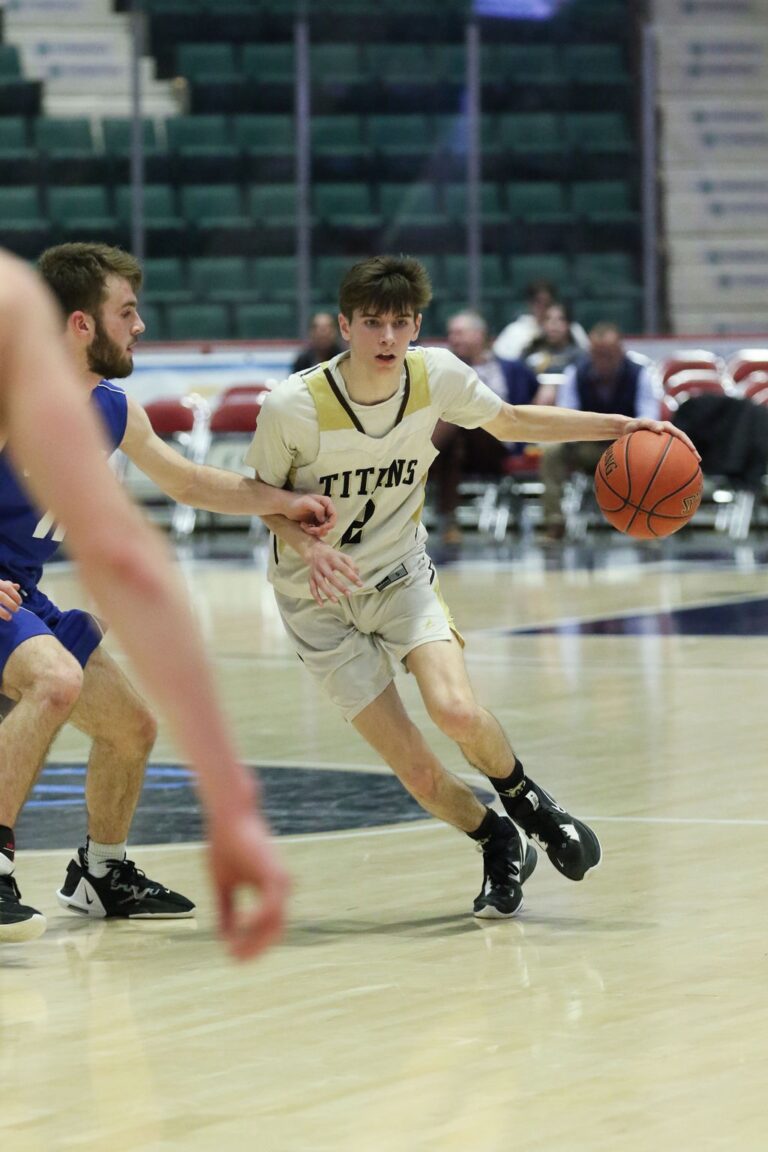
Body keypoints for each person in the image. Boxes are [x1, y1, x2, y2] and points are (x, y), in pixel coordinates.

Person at [244, 255, 698, 920]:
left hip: (399, 573)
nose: (388, 338)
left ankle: (529, 801)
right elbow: (260, 498)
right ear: (345, 326)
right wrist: (308, 546)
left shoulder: (435, 377)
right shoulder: (294, 407)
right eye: (372, 323)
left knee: (456, 709)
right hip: (317, 600)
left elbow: (512, 420)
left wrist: (619, 427)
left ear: (417, 325)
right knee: (421, 774)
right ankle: (496, 840)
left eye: (400, 323)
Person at [0, 243, 335, 950]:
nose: (141, 325)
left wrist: (285, 504)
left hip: (18, 593)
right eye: (127, 311)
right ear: (83, 324)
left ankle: (101, 873)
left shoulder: (109, 408)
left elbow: (186, 482)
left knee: (131, 728)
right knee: (55, 680)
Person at [430, 309, 545, 544]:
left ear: (479, 334)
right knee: (454, 439)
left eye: (460, 332)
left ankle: (416, 457)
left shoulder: (510, 368)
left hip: (497, 443)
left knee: (458, 414)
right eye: (451, 333)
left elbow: (541, 391)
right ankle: (449, 521)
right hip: (454, 446)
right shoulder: (440, 369)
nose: (454, 338)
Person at [539, 322, 660, 541]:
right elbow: (566, 419)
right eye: (597, 354)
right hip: (586, 446)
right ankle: (554, 523)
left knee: (656, 453)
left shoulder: (640, 375)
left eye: (608, 354)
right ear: (589, 352)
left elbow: (649, 421)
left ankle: (647, 523)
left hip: (627, 451)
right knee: (552, 450)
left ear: (620, 352)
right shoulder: (576, 372)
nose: (602, 360)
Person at [493, 279, 588, 362]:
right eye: (538, 302)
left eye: (547, 302)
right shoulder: (514, 331)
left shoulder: (573, 328)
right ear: (529, 303)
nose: (542, 307)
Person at [523, 301, 584, 400]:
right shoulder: (529, 352)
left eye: (560, 319)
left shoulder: (580, 355)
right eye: (548, 319)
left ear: (568, 324)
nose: (554, 324)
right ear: (542, 324)